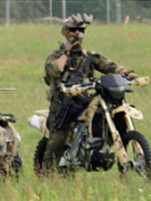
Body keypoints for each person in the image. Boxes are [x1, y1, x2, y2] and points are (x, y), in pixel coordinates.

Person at [41, 13, 135, 171]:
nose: (78, 33)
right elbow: (55, 70)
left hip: (85, 101)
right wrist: (68, 50)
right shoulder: (56, 55)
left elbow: (109, 66)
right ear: (65, 31)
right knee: (57, 139)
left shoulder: (88, 56)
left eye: (81, 30)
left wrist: (127, 74)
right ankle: (46, 171)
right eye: (73, 30)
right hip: (63, 104)